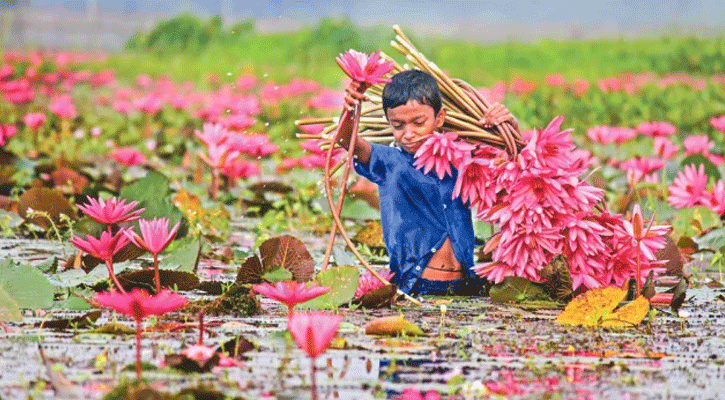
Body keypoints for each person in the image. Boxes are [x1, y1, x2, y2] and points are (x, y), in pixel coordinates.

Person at [337, 69, 517, 296]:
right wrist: (350, 107)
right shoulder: (390, 163)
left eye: (419, 122)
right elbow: (346, 138)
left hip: (467, 284)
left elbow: (512, 160)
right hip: (419, 286)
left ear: (439, 118)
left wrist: (508, 125)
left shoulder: (461, 159)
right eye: (398, 125)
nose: (408, 134)